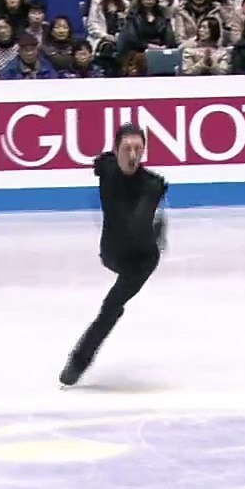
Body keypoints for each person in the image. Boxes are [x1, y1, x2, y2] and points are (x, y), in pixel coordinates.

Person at [60, 123, 169, 387]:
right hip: (111, 252)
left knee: (110, 307)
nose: (132, 155)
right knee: (127, 236)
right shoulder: (107, 168)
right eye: (127, 148)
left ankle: (78, 361)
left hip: (141, 260)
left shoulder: (152, 185)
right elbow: (101, 164)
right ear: (116, 150)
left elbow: (137, 220)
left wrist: (153, 228)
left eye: (138, 149)